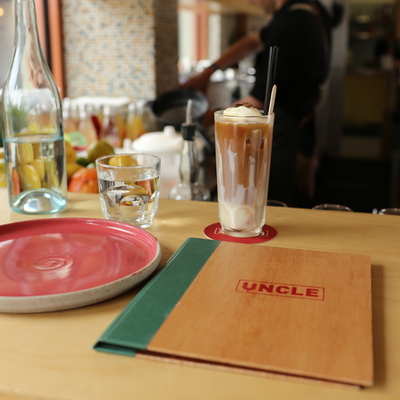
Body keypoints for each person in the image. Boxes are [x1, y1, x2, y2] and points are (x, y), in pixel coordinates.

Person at [183, 0, 343, 205]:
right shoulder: (309, 9)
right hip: (303, 123)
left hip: (281, 135)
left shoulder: (287, 27)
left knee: (271, 204)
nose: (250, 2)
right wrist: (209, 71)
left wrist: (211, 116)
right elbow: (253, 40)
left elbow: (256, 103)